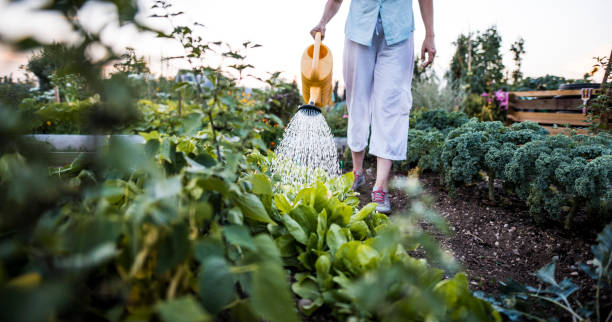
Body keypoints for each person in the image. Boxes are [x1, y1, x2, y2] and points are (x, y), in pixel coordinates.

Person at [311, 0, 435, 213]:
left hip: (398, 33)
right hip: (359, 30)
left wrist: (430, 35)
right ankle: (357, 172)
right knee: (357, 101)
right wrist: (323, 22)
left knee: (391, 106)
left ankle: (380, 186)